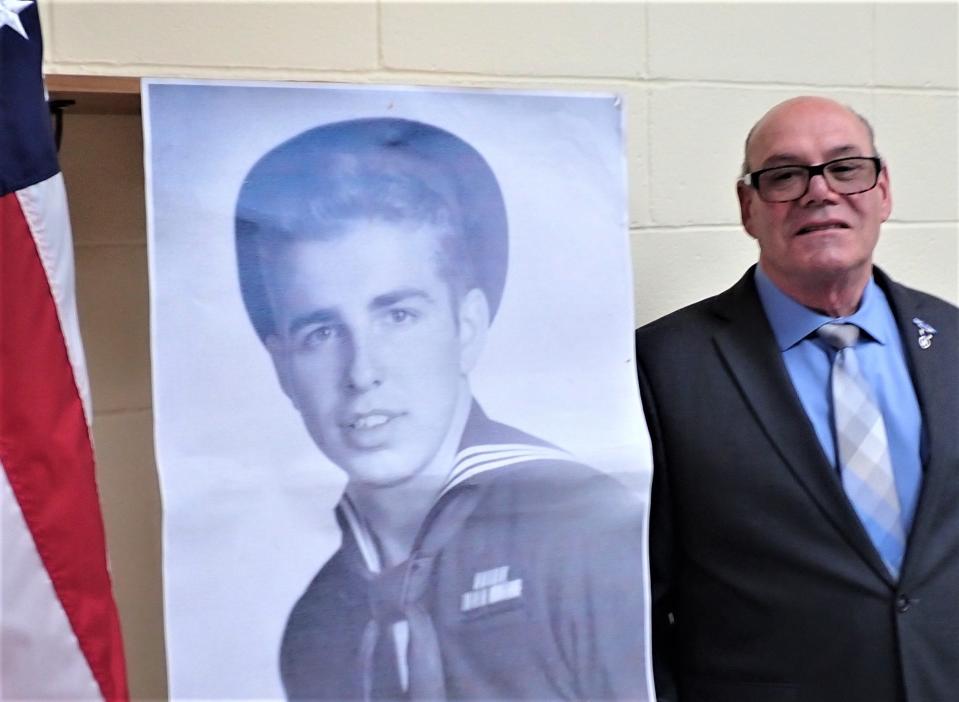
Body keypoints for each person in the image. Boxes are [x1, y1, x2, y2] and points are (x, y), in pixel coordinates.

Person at [234, 117, 647, 701]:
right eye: (322, 332)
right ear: (282, 368)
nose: (361, 372)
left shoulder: (587, 532)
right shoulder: (317, 623)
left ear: (468, 326)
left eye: (397, 315)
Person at [635, 96, 958, 702]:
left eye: (846, 167)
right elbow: (639, 608)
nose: (820, 192)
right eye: (784, 175)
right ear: (748, 208)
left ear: (883, 191)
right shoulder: (662, 368)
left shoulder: (954, 340)